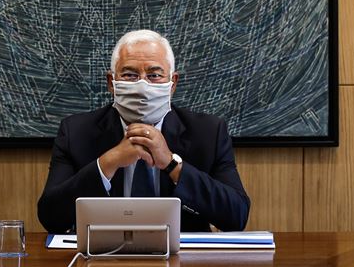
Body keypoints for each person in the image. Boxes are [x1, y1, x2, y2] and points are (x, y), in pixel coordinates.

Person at [37, 30, 250, 233]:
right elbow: (51, 218)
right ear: (111, 82)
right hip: (101, 259)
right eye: (130, 74)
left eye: (154, 75)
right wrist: (107, 164)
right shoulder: (76, 132)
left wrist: (171, 164)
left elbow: (237, 216)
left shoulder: (208, 132)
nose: (142, 85)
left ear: (172, 83)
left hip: (183, 264)